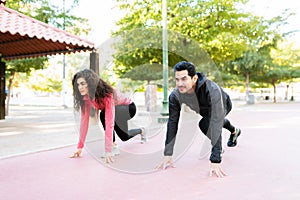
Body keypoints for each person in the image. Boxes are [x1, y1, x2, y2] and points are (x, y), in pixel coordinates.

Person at [158, 61, 241, 177]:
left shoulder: (212, 90)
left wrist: (215, 159)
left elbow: (216, 122)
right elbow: (172, 122)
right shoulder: (175, 96)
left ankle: (225, 140)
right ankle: (234, 130)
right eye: (177, 80)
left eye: (184, 79)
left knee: (206, 124)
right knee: (208, 122)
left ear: (194, 78)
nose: (179, 84)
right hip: (205, 110)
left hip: (223, 104)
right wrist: (168, 153)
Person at [69, 69, 146, 163]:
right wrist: (80, 147)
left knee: (103, 114)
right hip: (116, 111)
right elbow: (84, 123)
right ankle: (142, 130)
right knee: (124, 136)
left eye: (83, 84)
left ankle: (113, 146)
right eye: (78, 85)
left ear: (90, 83)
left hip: (129, 108)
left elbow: (109, 122)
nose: (80, 87)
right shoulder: (86, 98)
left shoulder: (106, 94)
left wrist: (108, 150)